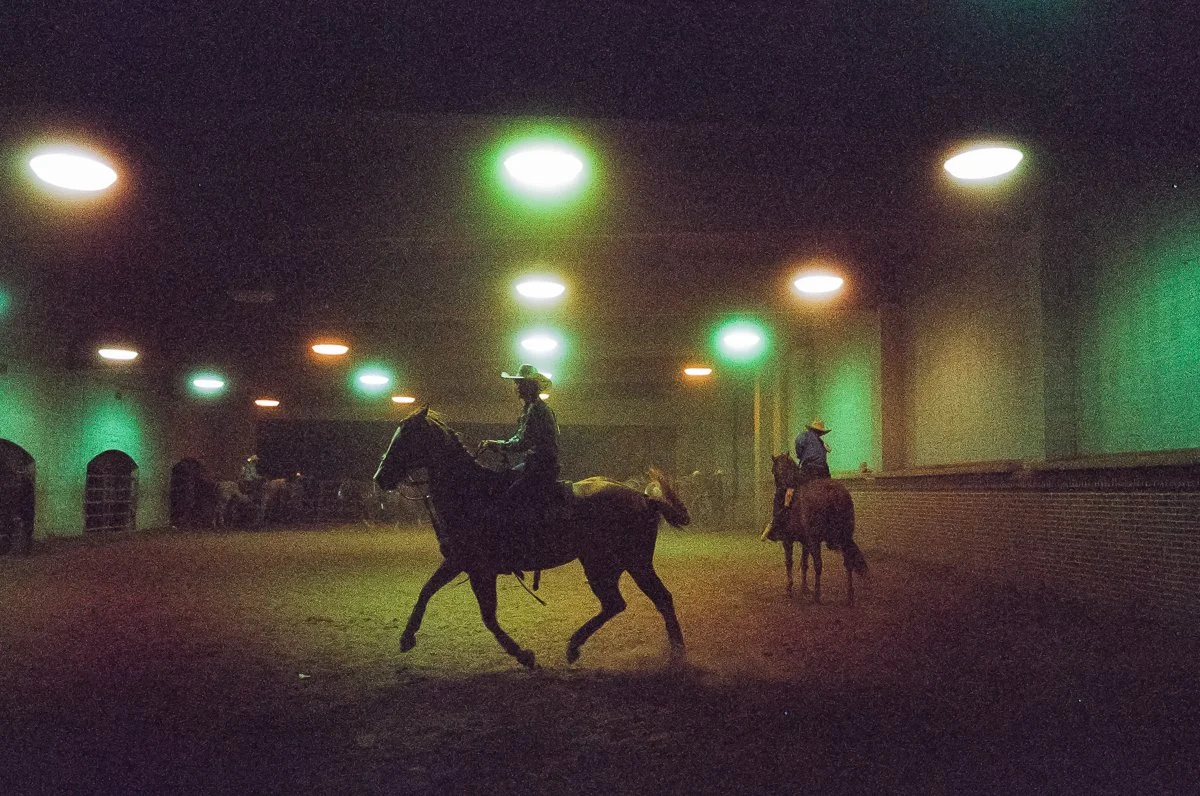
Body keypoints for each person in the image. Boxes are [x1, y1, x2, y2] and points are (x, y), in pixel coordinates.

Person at [481, 364, 562, 556]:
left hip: (541, 467)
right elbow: (522, 439)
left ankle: (522, 545)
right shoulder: (533, 408)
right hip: (537, 464)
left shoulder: (536, 410)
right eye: (516, 383)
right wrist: (500, 444)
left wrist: (498, 445)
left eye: (519, 383)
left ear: (529, 387)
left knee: (510, 497)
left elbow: (523, 442)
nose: (516, 387)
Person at [764, 418, 832, 542]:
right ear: (821, 432)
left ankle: (777, 524)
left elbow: (798, 445)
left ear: (811, 429)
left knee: (784, 491)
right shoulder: (822, 443)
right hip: (824, 471)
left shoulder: (804, 436)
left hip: (809, 469)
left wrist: (800, 456)